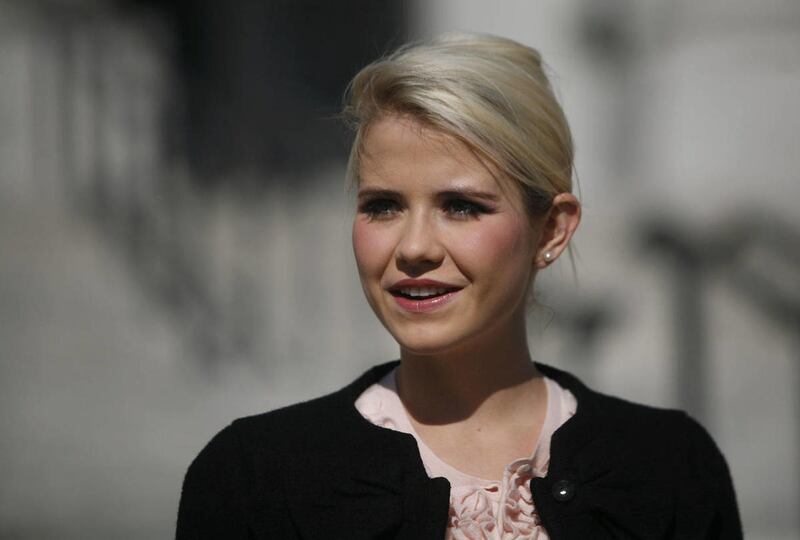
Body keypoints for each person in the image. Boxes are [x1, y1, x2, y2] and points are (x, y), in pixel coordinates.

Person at [176, 33, 742, 539]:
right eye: (383, 205)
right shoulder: (254, 478)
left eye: (462, 206)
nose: (414, 247)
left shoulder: (674, 467)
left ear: (552, 228)